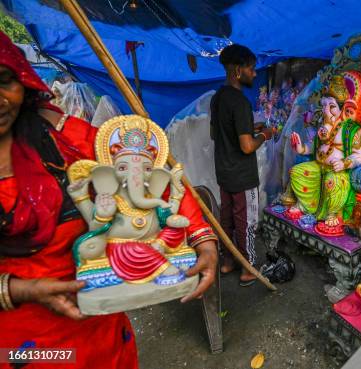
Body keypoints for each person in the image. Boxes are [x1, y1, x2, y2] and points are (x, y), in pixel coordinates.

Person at [0, 31, 218, 368]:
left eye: (4, 80)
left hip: (98, 319)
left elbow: (151, 176)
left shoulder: (57, 135)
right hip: (21, 344)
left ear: (23, 82)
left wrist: (203, 237)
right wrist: (20, 290)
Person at [211, 44, 273, 286]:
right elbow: (247, 146)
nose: (254, 74)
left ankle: (227, 262)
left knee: (226, 219)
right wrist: (264, 135)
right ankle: (248, 268)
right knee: (246, 221)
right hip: (242, 175)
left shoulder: (218, 98)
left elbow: (218, 133)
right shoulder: (240, 102)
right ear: (238, 70)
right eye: (251, 69)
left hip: (224, 172)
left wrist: (249, 128)